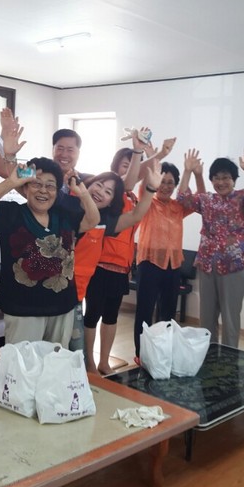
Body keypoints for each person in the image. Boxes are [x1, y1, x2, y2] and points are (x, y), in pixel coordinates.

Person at [0, 157, 99, 346]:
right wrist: (11, 182)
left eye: (50, 186)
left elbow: (93, 220)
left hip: (62, 306)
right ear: (25, 188)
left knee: (55, 360)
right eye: (36, 184)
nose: (43, 190)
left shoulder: (65, 217)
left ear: (57, 191)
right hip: (23, 308)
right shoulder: (11, 214)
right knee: (23, 362)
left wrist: (83, 193)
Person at [83, 137, 168, 375]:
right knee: (92, 315)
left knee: (111, 316)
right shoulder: (114, 194)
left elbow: (132, 227)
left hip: (121, 267)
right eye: (125, 165)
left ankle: (104, 362)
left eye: (133, 165)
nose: (130, 169)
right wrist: (151, 154)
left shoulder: (132, 198)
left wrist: (129, 265)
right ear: (115, 167)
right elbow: (130, 179)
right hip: (100, 264)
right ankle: (89, 363)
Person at [177, 147, 244, 348]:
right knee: (206, 318)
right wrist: (188, 171)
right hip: (207, 265)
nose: (221, 182)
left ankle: (228, 361)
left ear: (234, 179)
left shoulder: (241, 198)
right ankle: (208, 357)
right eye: (216, 178)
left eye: (226, 178)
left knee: (230, 318)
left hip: (234, 266)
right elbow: (182, 198)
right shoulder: (207, 200)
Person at [132, 149, 205, 358]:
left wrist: (195, 173)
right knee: (145, 311)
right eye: (162, 181)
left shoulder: (178, 206)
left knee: (168, 313)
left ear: (175, 185)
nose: (165, 186)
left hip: (173, 266)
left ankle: (162, 353)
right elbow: (145, 185)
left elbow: (200, 200)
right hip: (149, 264)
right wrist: (156, 157)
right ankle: (141, 354)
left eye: (170, 183)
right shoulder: (147, 201)